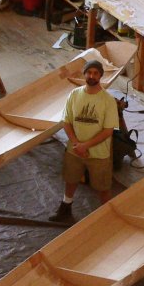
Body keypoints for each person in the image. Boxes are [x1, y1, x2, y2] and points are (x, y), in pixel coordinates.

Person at [49, 58, 118, 223]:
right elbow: (66, 122)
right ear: (84, 74)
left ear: (100, 76)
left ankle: (109, 218)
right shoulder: (74, 94)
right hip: (75, 150)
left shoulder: (108, 100)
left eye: (95, 73)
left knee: (103, 187)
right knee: (71, 179)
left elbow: (108, 130)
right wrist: (76, 144)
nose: (92, 75)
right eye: (89, 72)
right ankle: (65, 209)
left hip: (99, 153)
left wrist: (85, 145)